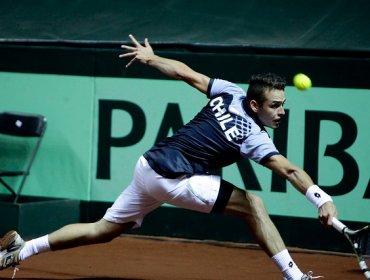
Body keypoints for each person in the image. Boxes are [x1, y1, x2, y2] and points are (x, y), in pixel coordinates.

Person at [0, 34, 337, 280]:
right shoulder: (252, 136)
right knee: (253, 204)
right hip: (174, 177)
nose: (282, 112)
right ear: (255, 105)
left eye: (283, 104)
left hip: (149, 166)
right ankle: (296, 278)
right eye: (275, 106)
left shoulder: (232, 92)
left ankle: (22, 248)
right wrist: (320, 198)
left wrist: (153, 58)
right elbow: (289, 170)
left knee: (103, 229)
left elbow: (187, 73)